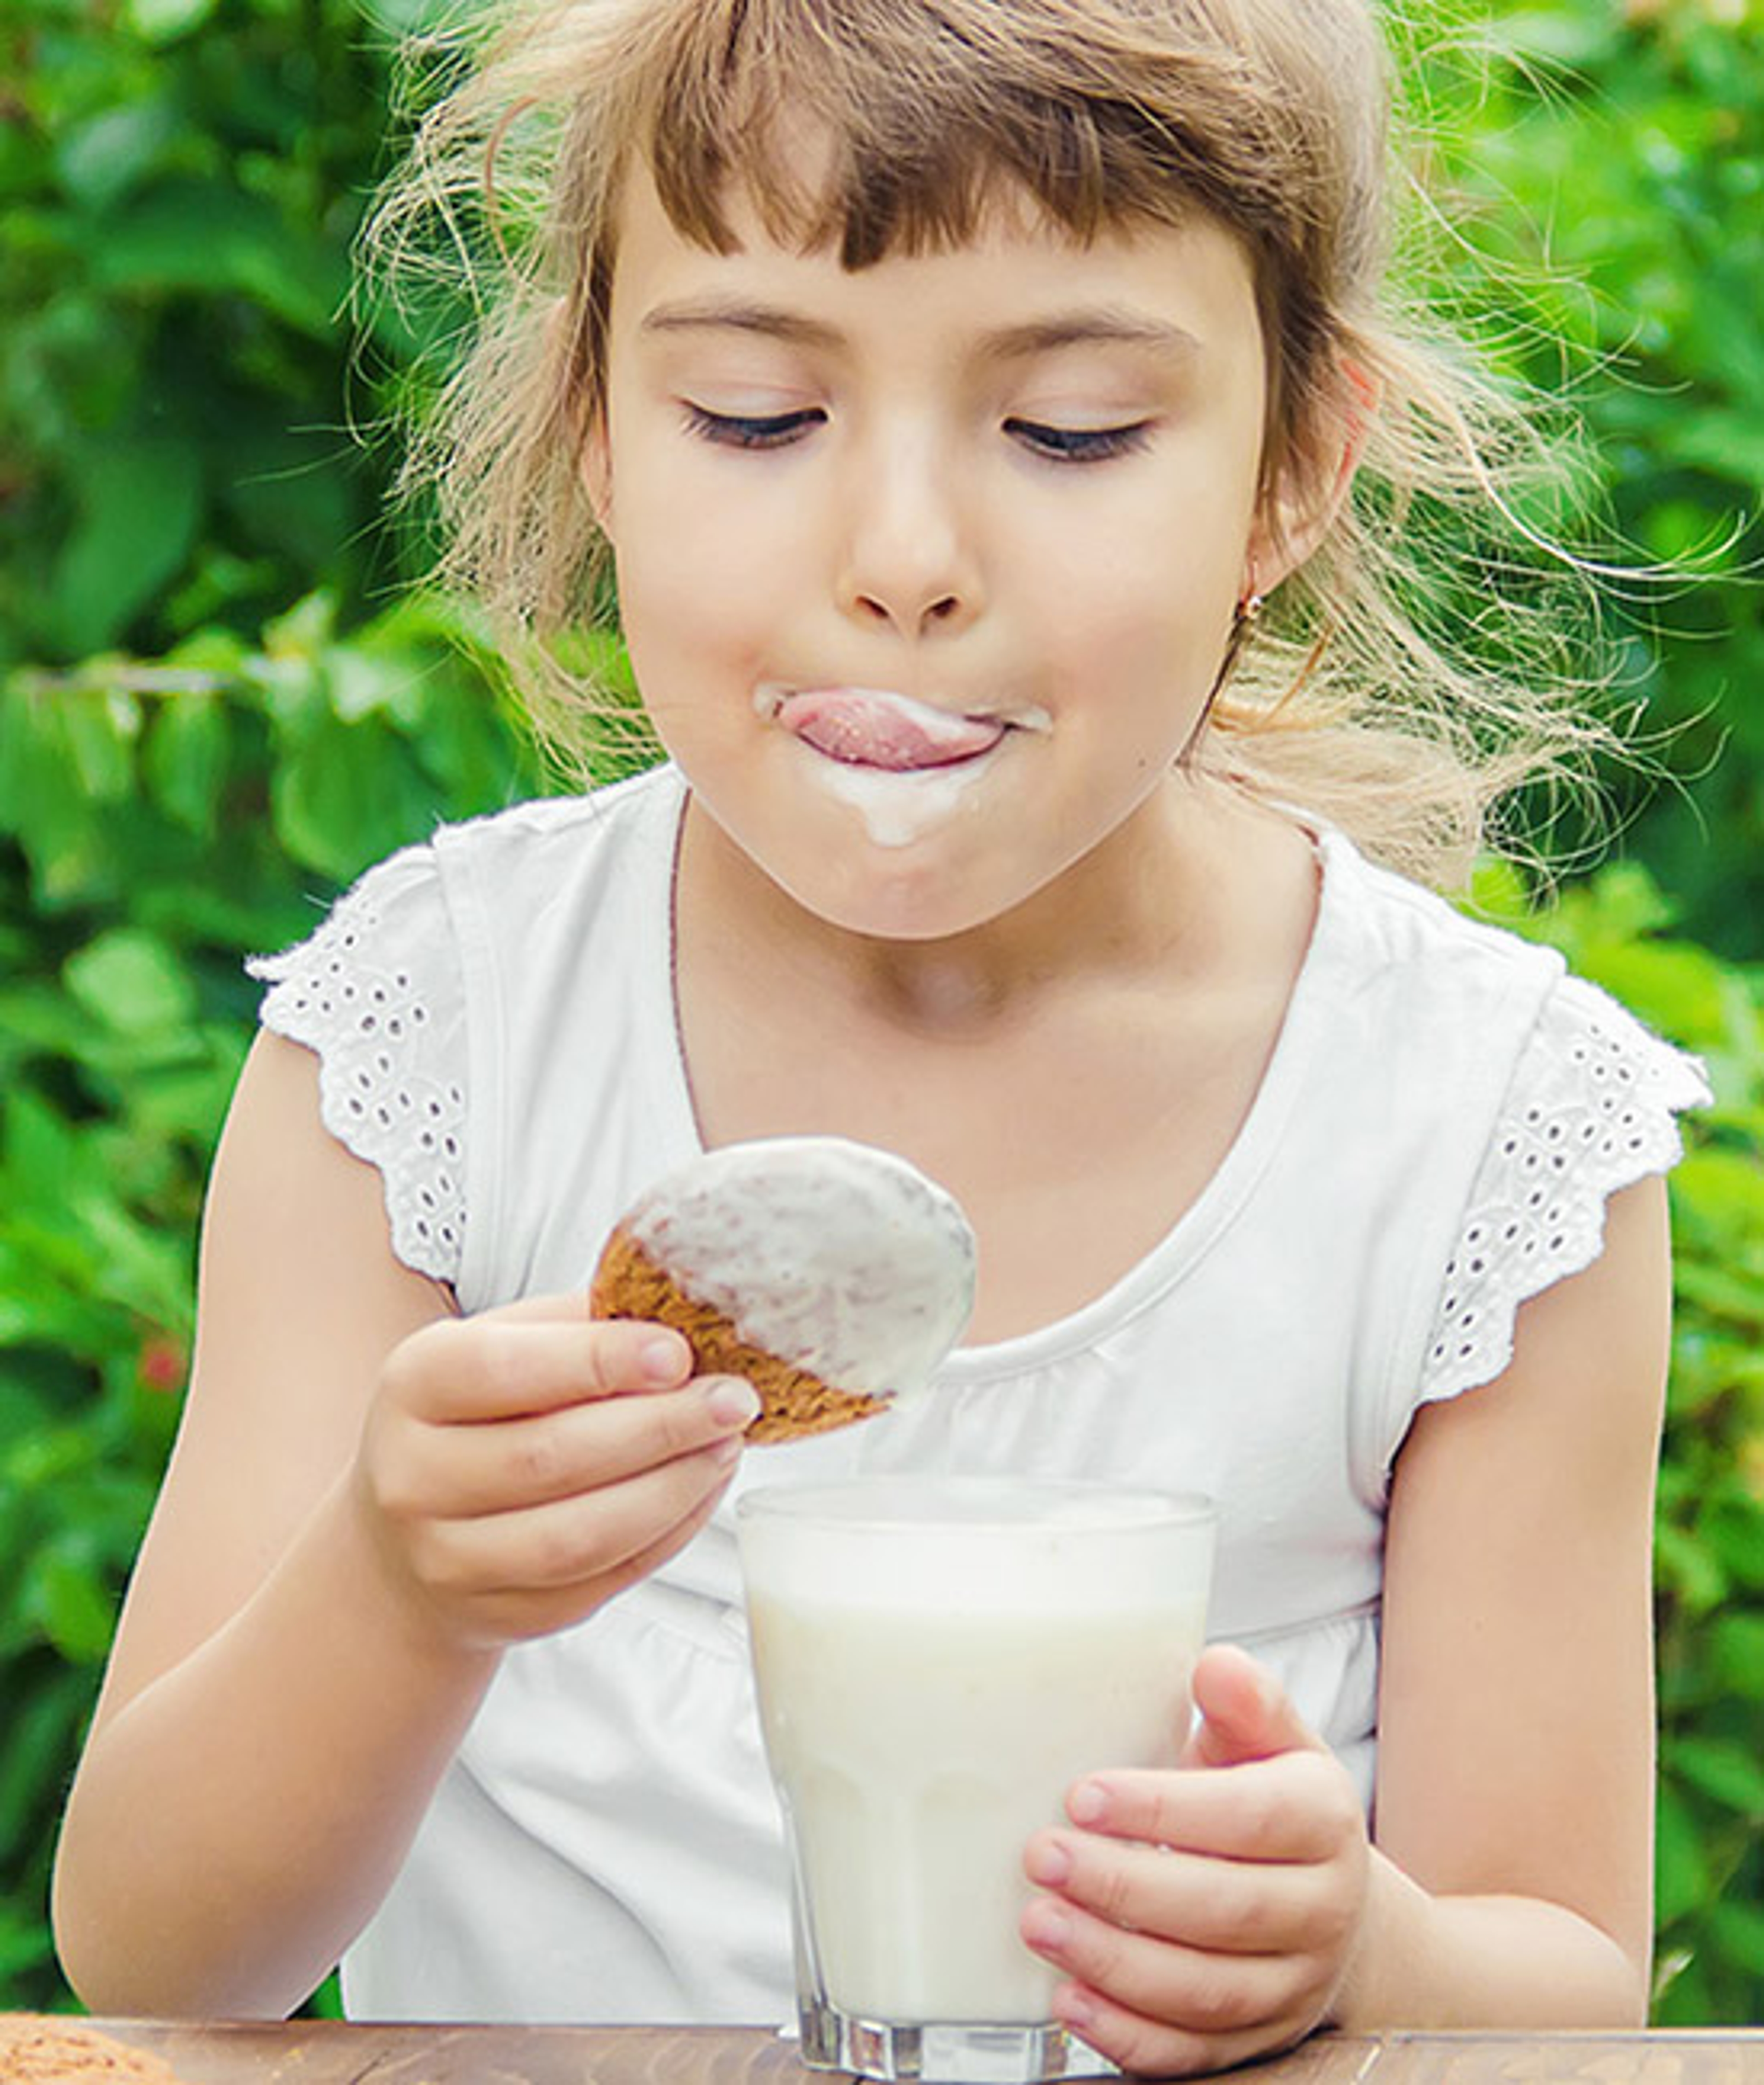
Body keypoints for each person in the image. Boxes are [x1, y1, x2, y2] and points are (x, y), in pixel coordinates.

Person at [53, 0, 1708, 2071]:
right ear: (595, 429)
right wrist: (400, 1588)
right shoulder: (444, 1039)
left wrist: (1370, 1957)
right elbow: (154, 1960)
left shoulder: (1476, 1134)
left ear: (1292, 467)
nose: (904, 564)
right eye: (756, 415)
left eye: (1075, 430)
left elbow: (1567, 1981)